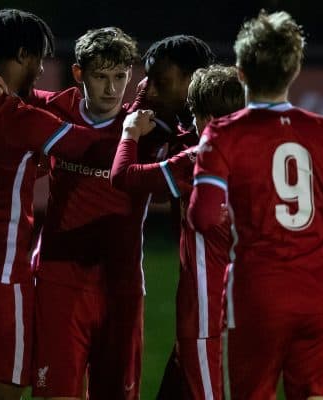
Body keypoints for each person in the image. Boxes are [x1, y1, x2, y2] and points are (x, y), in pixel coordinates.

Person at [0, 11, 155, 400]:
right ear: (22, 54)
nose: (40, 69)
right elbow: (94, 145)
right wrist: (132, 131)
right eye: (37, 58)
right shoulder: (20, 116)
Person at [188, 10, 323, 400]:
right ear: (294, 70)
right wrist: (319, 236)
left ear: (241, 71)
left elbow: (203, 216)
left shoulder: (224, 133)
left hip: (257, 295)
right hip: (320, 297)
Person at [111, 65, 245, 400]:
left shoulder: (198, 160)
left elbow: (124, 177)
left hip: (204, 317)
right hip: (255, 312)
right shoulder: (265, 158)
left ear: (207, 117)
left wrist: (129, 133)